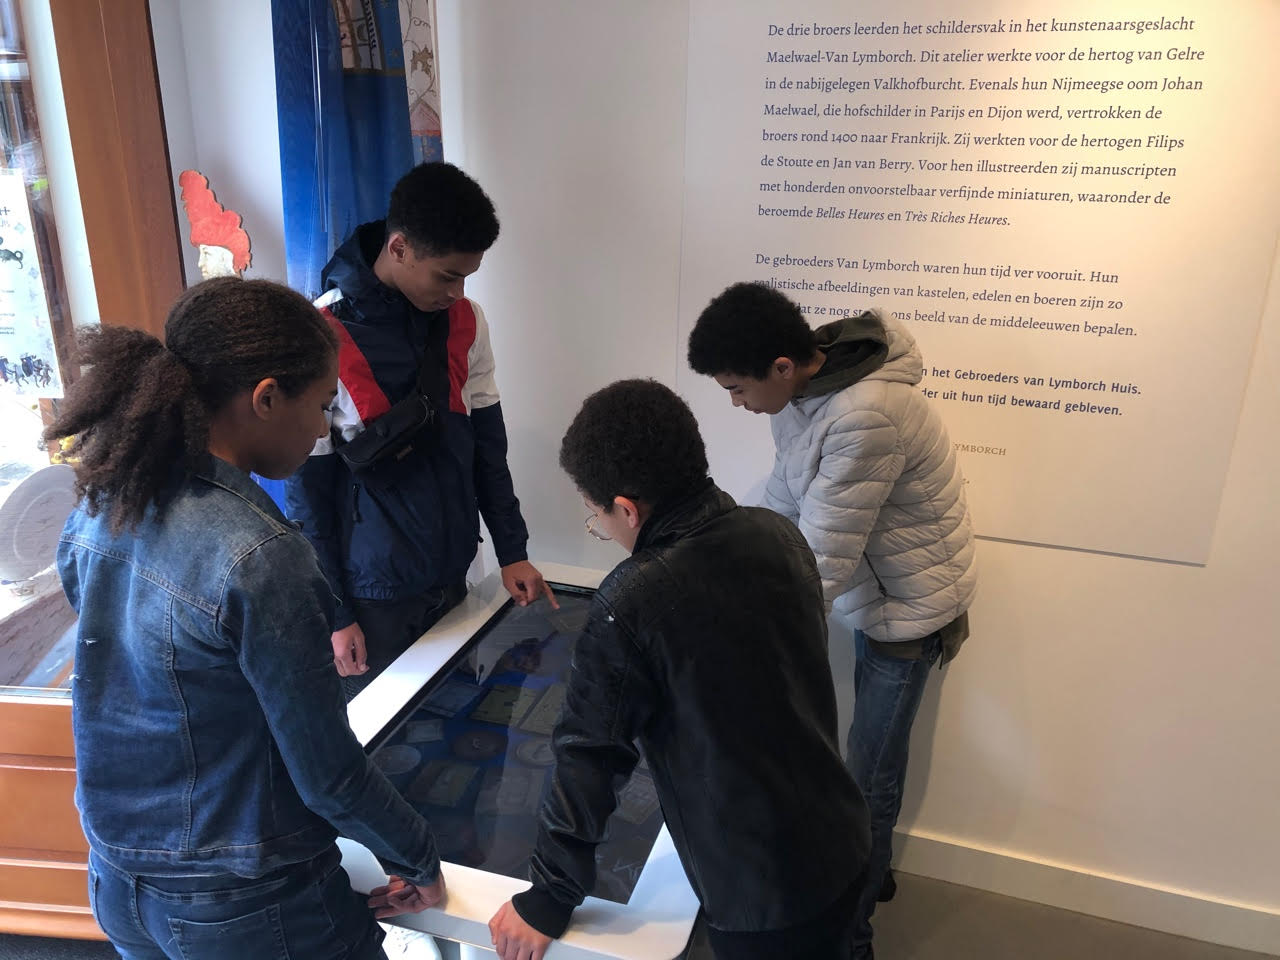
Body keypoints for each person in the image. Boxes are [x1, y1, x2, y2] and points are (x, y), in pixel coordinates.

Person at [49, 277, 445, 959]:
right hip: (247, 906)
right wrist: (417, 859)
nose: (323, 428)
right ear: (265, 399)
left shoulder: (100, 507)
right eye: (321, 404)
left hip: (117, 881)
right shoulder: (262, 557)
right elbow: (327, 773)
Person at [487, 379, 871, 960]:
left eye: (596, 517)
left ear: (626, 509)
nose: (601, 530)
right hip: (843, 835)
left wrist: (547, 898)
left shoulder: (630, 599)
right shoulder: (778, 533)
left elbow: (588, 756)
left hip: (760, 894)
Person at [688, 282, 978, 959]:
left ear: (782, 366)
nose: (735, 403)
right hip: (879, 592)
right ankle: (868, 878)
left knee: (866, 778)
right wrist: (726, 563)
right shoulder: (804, 398)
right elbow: (784, 501)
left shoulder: (866, 415)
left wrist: (750, 642)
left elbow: (822, 556)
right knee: (856, 768)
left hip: (910, 610)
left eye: (737, 388)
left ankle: (852, 937)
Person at [285, 161, 553, 701]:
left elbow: (488, 452)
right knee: (385, 741)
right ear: (400, 248)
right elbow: (307, 497)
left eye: (467, 277)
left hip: (453, 577)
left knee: (463, 724)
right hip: (371, 599)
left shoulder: (467, 322)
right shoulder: (321, 334)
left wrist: (512, 551)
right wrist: (336, 614)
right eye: (446, 276)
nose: (457, 292)